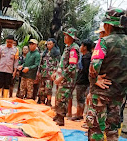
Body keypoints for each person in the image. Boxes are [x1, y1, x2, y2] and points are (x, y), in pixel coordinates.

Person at [86, 8, 127, 141]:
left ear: (109, 25)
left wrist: (94, 80)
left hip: (101, 94)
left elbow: (94, 66)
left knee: (96, 129)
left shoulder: (104, 41)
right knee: (113, 130)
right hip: (119, 94)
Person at [51, 28, 80, 126]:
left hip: (68, 79)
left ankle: (61, 118)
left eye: (67, 36)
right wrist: (56, 72)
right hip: (63, 78)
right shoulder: (68, 47)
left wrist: (62, 77)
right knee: (59, 96)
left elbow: (72, 66)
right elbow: (62, 63)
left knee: (63, 98)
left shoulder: (74, 49)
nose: (65, 37)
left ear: (71, 37)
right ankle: (58, 115)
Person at [71, 39, 92, 121]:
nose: (80, 47)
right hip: (82, 80)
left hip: (83, 81)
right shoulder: (84, 56)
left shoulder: (86, 58)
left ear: (85, 47)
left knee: (81, 99)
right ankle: (78, 114)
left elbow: (85, 70)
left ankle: (79, 115)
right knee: (80, 98)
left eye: (82, 45)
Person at [38, 38, 60, 106]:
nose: (48, 45)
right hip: (43, 73)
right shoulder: (44, 53)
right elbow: (40, 63)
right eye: (47, 44)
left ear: (53, 44)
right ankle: (42, 101)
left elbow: (58, 64)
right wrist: (39, 72)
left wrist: (55, 72)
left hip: (50, 74)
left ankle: (48, 102)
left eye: (50, 44)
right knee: (42, 88)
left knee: (48, 88)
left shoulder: (56, 53)